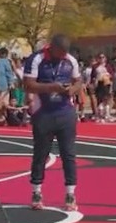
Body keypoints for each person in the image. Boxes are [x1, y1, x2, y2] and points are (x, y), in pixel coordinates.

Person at [22, 34, 81, 212]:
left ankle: (70, 193)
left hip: (65, 113)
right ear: (52, 47)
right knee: (40, 153)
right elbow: (28, 85)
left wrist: (72, 89)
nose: (63, 55)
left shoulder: (70, 60)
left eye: (65, 53)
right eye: (60, 52)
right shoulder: (36, 59)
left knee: (68, 154)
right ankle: (36, 191)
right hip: (44, 113)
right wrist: (51, 87)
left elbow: (79, 81)